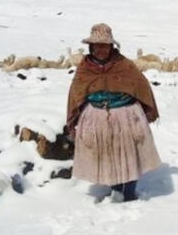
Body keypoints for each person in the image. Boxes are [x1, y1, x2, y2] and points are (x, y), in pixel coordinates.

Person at [66, 23, 161, 202]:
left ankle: (130, 194)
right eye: (97, 45)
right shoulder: (84, 68)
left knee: (130, 154)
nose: (101, 49)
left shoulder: (125, 65)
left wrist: (147, 109)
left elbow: (141, 86)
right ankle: (116, 190)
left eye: (105, 45)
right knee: (108, 155)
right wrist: (74, 117)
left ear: (111, 46)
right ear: (91, 46)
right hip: (96, 117)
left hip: (126, 115)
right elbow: (76, 92)